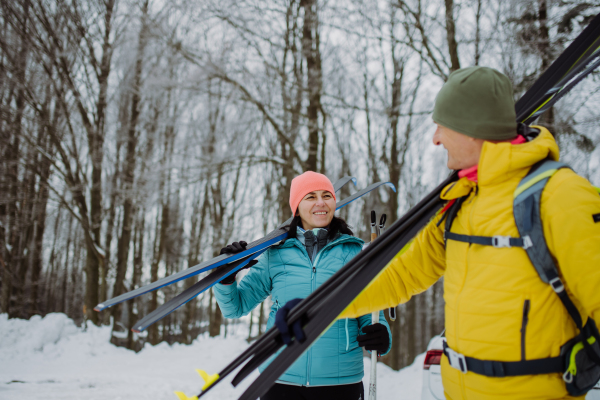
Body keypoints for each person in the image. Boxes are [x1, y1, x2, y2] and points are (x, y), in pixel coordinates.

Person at [280, 66, 600, 399]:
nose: (436, 138)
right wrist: (319, 306)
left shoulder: (560, 197)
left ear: (472, 129)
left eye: (442, 126)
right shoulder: (460, 200)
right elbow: (399, 275)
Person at [214, 171, 392, 400]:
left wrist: (381, 333)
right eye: (310, 196)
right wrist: (226, 277)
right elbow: (234, 308)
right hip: (279, 378)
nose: (321, 202)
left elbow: (371, 310)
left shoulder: (354, 253)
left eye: (327, 195)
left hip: (340, 382)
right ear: (296, 207)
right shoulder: (275, 254)